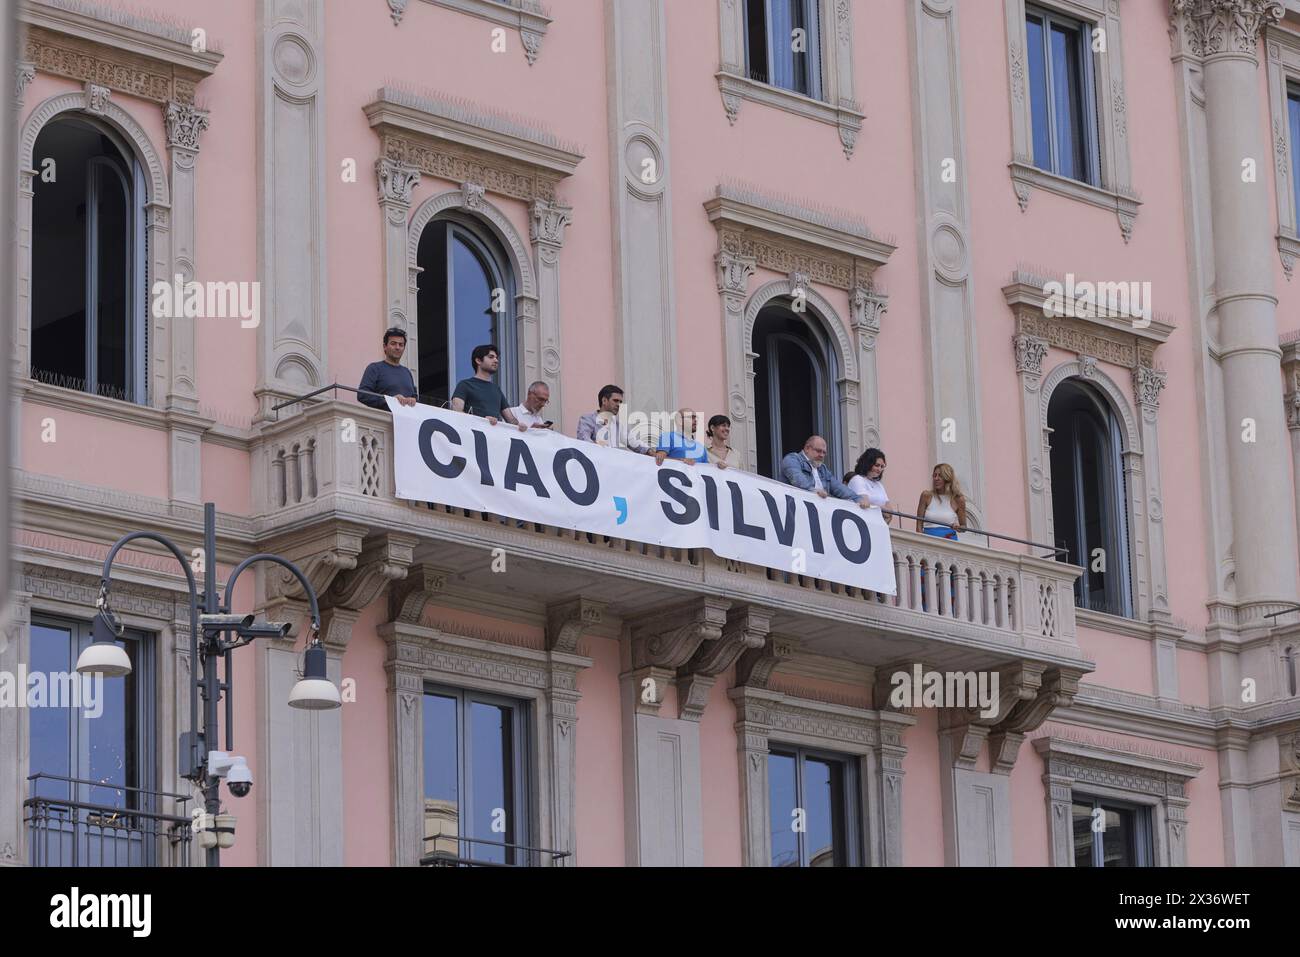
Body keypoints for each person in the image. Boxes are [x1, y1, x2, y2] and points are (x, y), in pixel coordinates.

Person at [576, 385, 667, 465]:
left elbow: (634, 443)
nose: (619, 405)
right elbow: (584, 441)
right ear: (604, 400)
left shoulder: (618, 425)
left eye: (620, 402)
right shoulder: (588, 419)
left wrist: (652, 452)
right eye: (615, 401)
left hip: (612, 470)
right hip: (595, 467)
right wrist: (601, 448)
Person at [780, 436, 872, 508]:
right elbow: (798, 479)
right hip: (795, 509)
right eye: (819, 451)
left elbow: (838, 487)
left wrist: (858, 499)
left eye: (824, 453)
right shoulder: (792, 459)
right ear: (807, 448)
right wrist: (814, 491)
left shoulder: (823, 469)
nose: (822, 455)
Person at [450, 344, 518, 427]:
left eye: (496, 357)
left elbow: (511, 420)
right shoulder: (464, 385)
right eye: (491, 357)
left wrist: (528, 429)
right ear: (478, 360)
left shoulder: (496, 389)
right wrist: (482, 420)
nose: (496, 360)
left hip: (493, 438)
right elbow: (456, 412)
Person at [357, 327, 418, 409]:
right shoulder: (375, 368)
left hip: (406, 420)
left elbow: (415, 398)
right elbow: (362, 395)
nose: (397, 347)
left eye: (401, 345)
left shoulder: (407, 372)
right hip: (383, 420)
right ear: (385, 346)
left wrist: (413, 400)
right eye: (393, 343)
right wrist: (389, 400)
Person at [916, 463, 968, 539]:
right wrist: (920, 542)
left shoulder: (958, 499)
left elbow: (964, 527)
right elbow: (919, 525)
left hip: (949, 542)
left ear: (947, 478)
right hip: (928, 541)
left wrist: (958, 527)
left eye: (940, 476)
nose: (936, 478)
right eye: (934, 475)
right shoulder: (926, 496)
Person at [847, 448, 891, 513]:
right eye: (877, 465)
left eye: (882, 467)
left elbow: (890, 511)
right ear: (867, 464)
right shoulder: (857, 479)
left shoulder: (879, 485)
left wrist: (876, 508)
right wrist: (882, 510)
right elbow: (865, 504)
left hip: (878, 522)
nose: (879, 469)